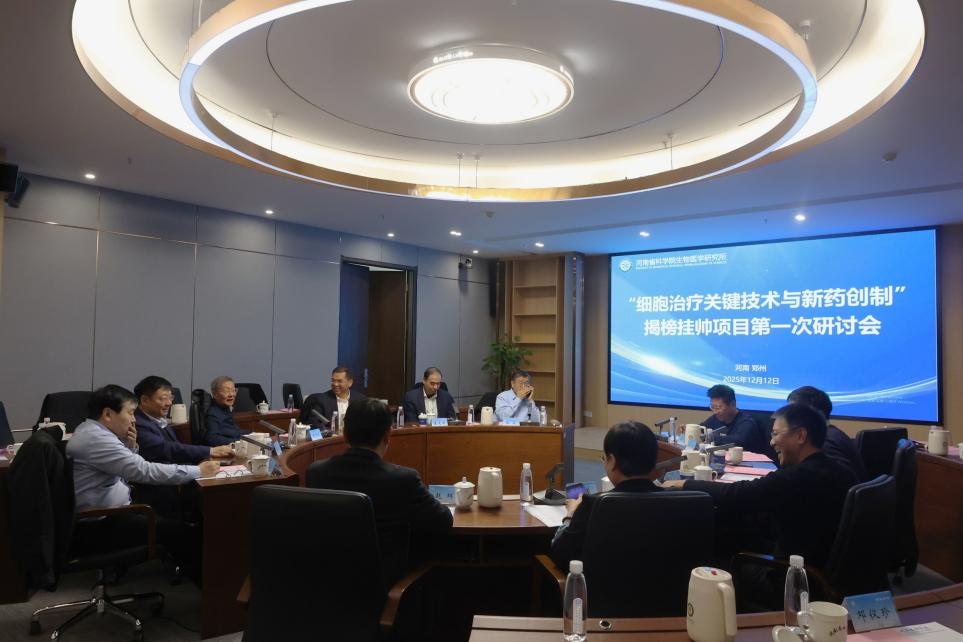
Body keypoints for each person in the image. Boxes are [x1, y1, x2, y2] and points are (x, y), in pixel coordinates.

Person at [664, 403, 855, 580]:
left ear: (800, 435)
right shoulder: (840, 472)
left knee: (713, 547)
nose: (771, 442)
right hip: (814, 561)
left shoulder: (798, 477)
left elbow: (738, 494)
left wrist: (684, 484)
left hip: (792, 577)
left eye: (776, 434)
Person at [305, 398, 452, 582]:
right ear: (388, 436)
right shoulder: (403, 479)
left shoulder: (316, 473)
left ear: (345, 434)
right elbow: (443, 521)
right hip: (382, 586)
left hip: (326, 582)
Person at [66, 385, 219, 557]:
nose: (134, 420)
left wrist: (129, 447)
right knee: (185, 533)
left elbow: (122, 472)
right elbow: (144, 471)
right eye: (130, 413)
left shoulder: (90, 431)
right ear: (108, 414)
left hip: (113, 511)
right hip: (100, 523)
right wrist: (199, 471)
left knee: (174, 511)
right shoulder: (97, 439)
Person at [550, 421, 663, 568]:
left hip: (598, 583)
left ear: (613, 462)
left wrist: (571, 514)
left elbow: (559, 553)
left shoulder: (594, 504)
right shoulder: (675, 501)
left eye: (604, 458)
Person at [135, 375, 233, 464]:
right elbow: (167, 449)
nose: (169, 403)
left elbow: (177, 451)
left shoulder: (159, 419)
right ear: (144, 400)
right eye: (163, 398)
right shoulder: (138, 423)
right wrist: (210, 451)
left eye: (171, 397)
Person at [787, 385, 867, 483]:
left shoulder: (824, 442)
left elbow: (837, 481)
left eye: (794, 412)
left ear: (815, 413)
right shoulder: (833, 434)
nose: (789, 418)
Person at [702, 384, 773, 458]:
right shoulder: (716, 418)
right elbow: (701, 430)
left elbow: (739, 441)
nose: (715, 412)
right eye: (712, 407)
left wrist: (711, 438)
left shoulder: (746, 422)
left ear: (733, 404)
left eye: (718, 407)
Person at [301, 366, 367, 428]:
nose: (335, 384)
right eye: (333, 380)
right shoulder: (321, 400)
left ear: (350, 383)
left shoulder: (360, 400)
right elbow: (314, 425)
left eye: (339, 381)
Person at [204, 376, 248, 446]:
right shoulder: (213, 414)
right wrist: (238, 442)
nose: (231, 394)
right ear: (214, 394)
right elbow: (212, 439)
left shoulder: (225, 408)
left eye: (233, 390)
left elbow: (234, 431)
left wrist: (253, 435)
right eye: (226, 391)